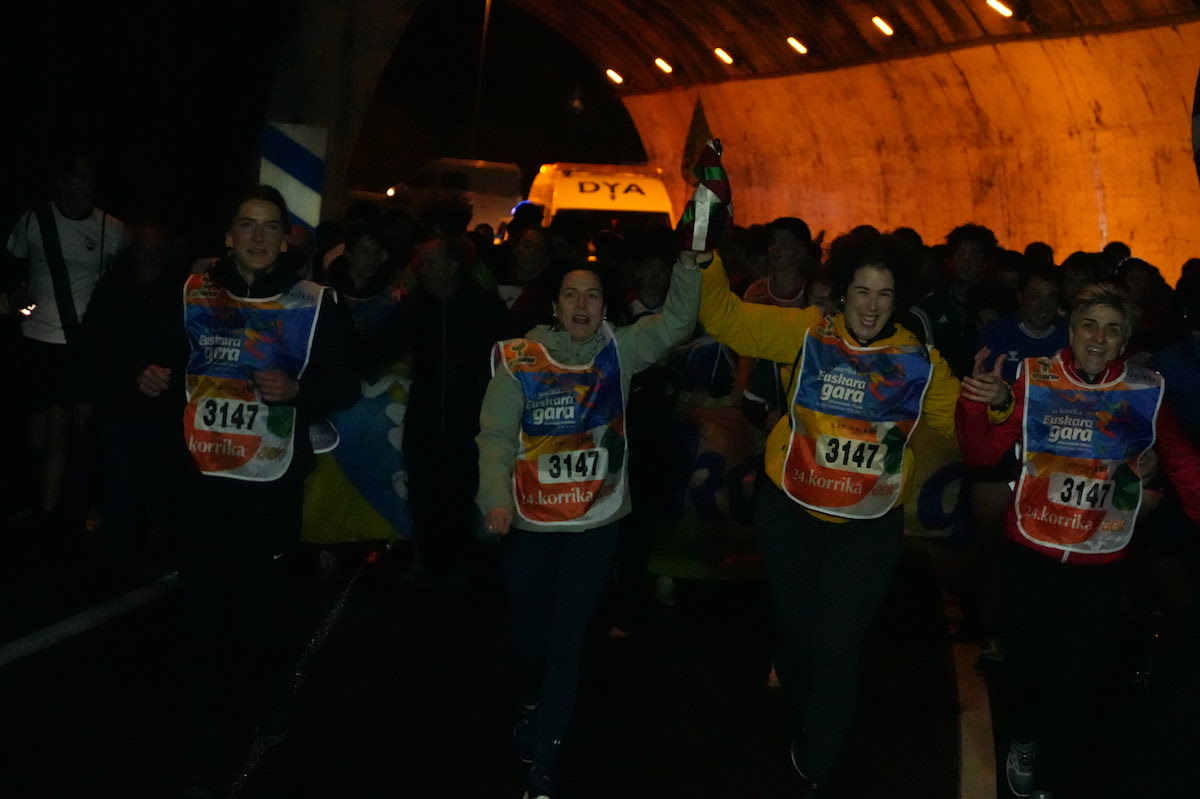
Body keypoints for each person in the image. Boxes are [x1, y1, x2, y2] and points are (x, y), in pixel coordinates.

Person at [696, 227, 960, 794]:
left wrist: (999, 404)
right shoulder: (807, 333)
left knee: (837, 651)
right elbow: (724, 319)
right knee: (798, 646)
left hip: (865, 526)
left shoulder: (918, 361)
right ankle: (802, 723)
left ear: (899, 299)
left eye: (884, 294)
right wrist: (706, 260)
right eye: (862, 291)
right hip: (790, 513)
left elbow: (964, 424)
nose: (872, 305)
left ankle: (816, 774)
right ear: (842, 292)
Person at [136, 185, 358, 797]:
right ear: (229, 237)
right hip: (202, 481)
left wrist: (299, 391)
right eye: (247, 225)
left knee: (263, 605)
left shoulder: (313, 303)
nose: (258, 237)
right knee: (203, 611)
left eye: (270, 226)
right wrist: (148, 376)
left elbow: (345, 384)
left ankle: (272, 689)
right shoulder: (193, 293)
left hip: (270, 483)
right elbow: (159, 359)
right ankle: (208, 746)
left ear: (285, 239)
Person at [957, 283, 1200, 799]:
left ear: (1124, 342)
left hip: (1101, 560)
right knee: (1027, 668)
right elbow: (981, 455)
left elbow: (1181, 462)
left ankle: (1050, 775)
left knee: (1078, 676)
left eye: (1112, 330)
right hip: (1032, 552)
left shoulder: (1145, 391)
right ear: (1071, 333)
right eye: (1090, 325)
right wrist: (981, 406)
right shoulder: (1035, 378)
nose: (1098, 337)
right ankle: (1024, 740)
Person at [476, 251, 702, 799]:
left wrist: (689, 268)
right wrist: (495, 500)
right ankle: (529, 700)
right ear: (554, 305)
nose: (582, 304)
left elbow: (676, 323)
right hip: (530, 522)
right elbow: (496, 436)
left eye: (593, 295)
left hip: (596, 524)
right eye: (571, 294)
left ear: (606, 306)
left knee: (567, 641)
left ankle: (544, 765)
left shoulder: (619, 350)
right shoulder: (520, 358)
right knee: (531, 640)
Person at [4, 152, 129, 530]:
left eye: (91, 178)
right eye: (79, 177)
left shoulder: (111, 229)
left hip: (80, 345)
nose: (87, 185)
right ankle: (35, 502)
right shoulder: (33, 221)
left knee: (67, 427)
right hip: (36, 339)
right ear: (61, 181)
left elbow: (123, 283)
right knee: (38, 435)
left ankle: (54, 514)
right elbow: (11, 267)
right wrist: (16, 297)